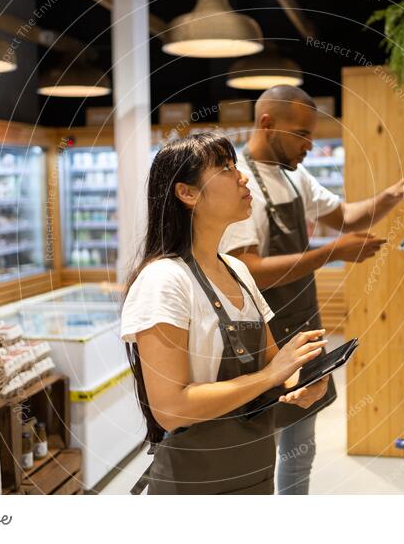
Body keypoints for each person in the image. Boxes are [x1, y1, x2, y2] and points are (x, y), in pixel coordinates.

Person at [220, 85, 404, 495]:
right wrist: (330, 253)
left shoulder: (295, 178)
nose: (310, 146)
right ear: (268, 124)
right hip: (261, 340)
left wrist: (396, 193)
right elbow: (248, 270)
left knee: (301, 446)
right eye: (302, 134)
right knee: (261, 448)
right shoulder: (239, 186)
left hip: (304, 328)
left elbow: (346, 217)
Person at [121, 133, 331, 495]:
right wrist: (272, 374)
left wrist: (304, 382)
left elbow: (273, 370)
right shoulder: (164, 281)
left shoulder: (237, 269)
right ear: (187, 193)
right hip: (194, 487)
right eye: (226, 168)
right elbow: (171, 408)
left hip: (255, 474)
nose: (243, 177)